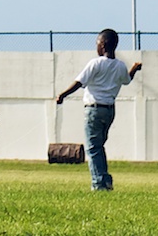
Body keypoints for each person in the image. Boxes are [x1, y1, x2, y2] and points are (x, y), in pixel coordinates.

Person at [54, 28, 142, 192]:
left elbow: (80, 82)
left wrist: (62, 95)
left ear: (103, 45)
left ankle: (99, 184)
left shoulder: (96, 63)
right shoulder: (120, 66)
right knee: (99, 147)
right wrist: (134, 69)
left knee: (93, 148)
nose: (96, 46)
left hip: (94, 109)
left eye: (97, 43)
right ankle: (105, 179)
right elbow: (127, 80)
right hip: (109, 111)